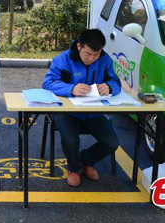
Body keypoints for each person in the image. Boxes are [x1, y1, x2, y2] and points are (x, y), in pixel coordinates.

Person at [42, 29, 121, 187]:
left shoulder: (105, 60)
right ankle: (74, 169)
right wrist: (70, 89)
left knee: (112, 143)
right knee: (71, 140)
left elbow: (116, 82)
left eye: (96, 54)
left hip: (93, 112)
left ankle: (86, 161)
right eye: (88, 54)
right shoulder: (63, 59)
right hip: (67, 112)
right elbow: (48, 84)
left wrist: (109, 87)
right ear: (79, 46)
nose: (92, 59)